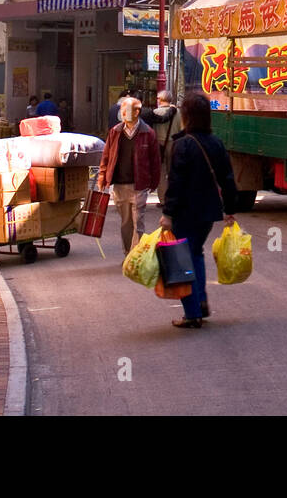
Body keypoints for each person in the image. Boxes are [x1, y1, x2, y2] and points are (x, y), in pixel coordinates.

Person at [161, 93, 238, 329]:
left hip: (185, 212)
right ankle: (201, 303)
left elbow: (176, 183)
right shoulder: (216, 143)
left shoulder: (182, 145)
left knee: (183, 259)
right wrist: (231, 208)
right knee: (195, 254)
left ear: (186, 116)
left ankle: (192, 313)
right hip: (208, 213)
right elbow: (227, 177)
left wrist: (167, 213)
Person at [96, 97, 161, 256]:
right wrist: (102, 176)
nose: (123, 114)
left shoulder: (148, 133)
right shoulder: (115, 132)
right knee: (126, 223)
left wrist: (154, 182)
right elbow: (106, 156)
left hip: (139, 185)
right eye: (122, 111)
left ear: (137, 112)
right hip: (120, 184)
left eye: (127, 110)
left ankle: (137, 256)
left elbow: (155, 161)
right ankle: (127, 253)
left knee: (138, 222)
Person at [147, 90, 182, 204]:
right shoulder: (178, 112)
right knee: (173, 172)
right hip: (175, 144)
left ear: (160, 100)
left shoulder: (155, 112)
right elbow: (182, 129)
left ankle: (163, 200)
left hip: (159, 145)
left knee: (161, 173)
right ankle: (174, 198)